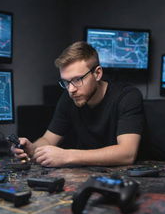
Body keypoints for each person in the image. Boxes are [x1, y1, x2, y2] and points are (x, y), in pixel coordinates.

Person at [12, 41, 144, 167]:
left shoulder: (127, 96)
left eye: (77, 79)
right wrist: (31, 148)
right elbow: (48, 140)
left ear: (97, 73)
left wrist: (67, 156)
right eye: (66, 82)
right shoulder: (69, 98)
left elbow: (127, 154)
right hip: (87, 175)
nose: (71, 89)